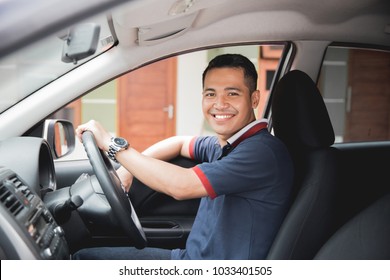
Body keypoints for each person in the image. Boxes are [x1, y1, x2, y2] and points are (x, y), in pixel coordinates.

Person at [73, 53, 294, 260]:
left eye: (232, 93)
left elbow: (181, 186)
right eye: (211, 94)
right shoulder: (226, 144)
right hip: (188, 258)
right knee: (84, 257)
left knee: (81, 260)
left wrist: (112, 145)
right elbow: (179, 144)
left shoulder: (261, 152)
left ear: (254, 99)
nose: (219, 103)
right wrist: (126, 172)